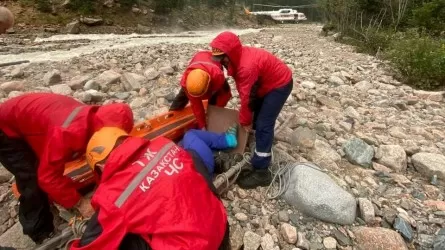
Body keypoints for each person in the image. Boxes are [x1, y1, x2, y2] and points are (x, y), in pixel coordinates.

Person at [69, 124, 238, 249]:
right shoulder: (164, 145)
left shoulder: (113, 196)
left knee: (123, 239)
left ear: (100, 167)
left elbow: (91, 243)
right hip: (221, 228)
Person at [0, 93, 134, 244]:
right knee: (32, 178)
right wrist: (80, 203)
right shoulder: (66, 134)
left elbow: (98, 157)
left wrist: (104, 187)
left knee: (50, 163)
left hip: (33, 120)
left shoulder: (98, 118)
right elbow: (47, 177)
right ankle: (42, 233)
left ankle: (56, 198)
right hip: (5, 128)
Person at [210, 31, 294, 189]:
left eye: (222, 58)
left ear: (231, 53)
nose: (221, 62)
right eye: (218, 58)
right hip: (264, 83)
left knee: (264, 124)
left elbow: (247, 99)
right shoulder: (236, 58)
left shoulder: (246, 67)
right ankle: (257, 141)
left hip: (279, 85)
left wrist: (245, 121)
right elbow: (250, 97)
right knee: (255, 115)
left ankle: (262, 171)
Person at [169, 50, 232, 129]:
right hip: (198, 62)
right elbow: (196, 105)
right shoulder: (186, 81)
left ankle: (211, 111)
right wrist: (202, 125)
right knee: (182, 96)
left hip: (212, 68)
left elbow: (226, 95)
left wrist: (215, 110)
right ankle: (172, 114)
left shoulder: (218, 76)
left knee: (214, 100)